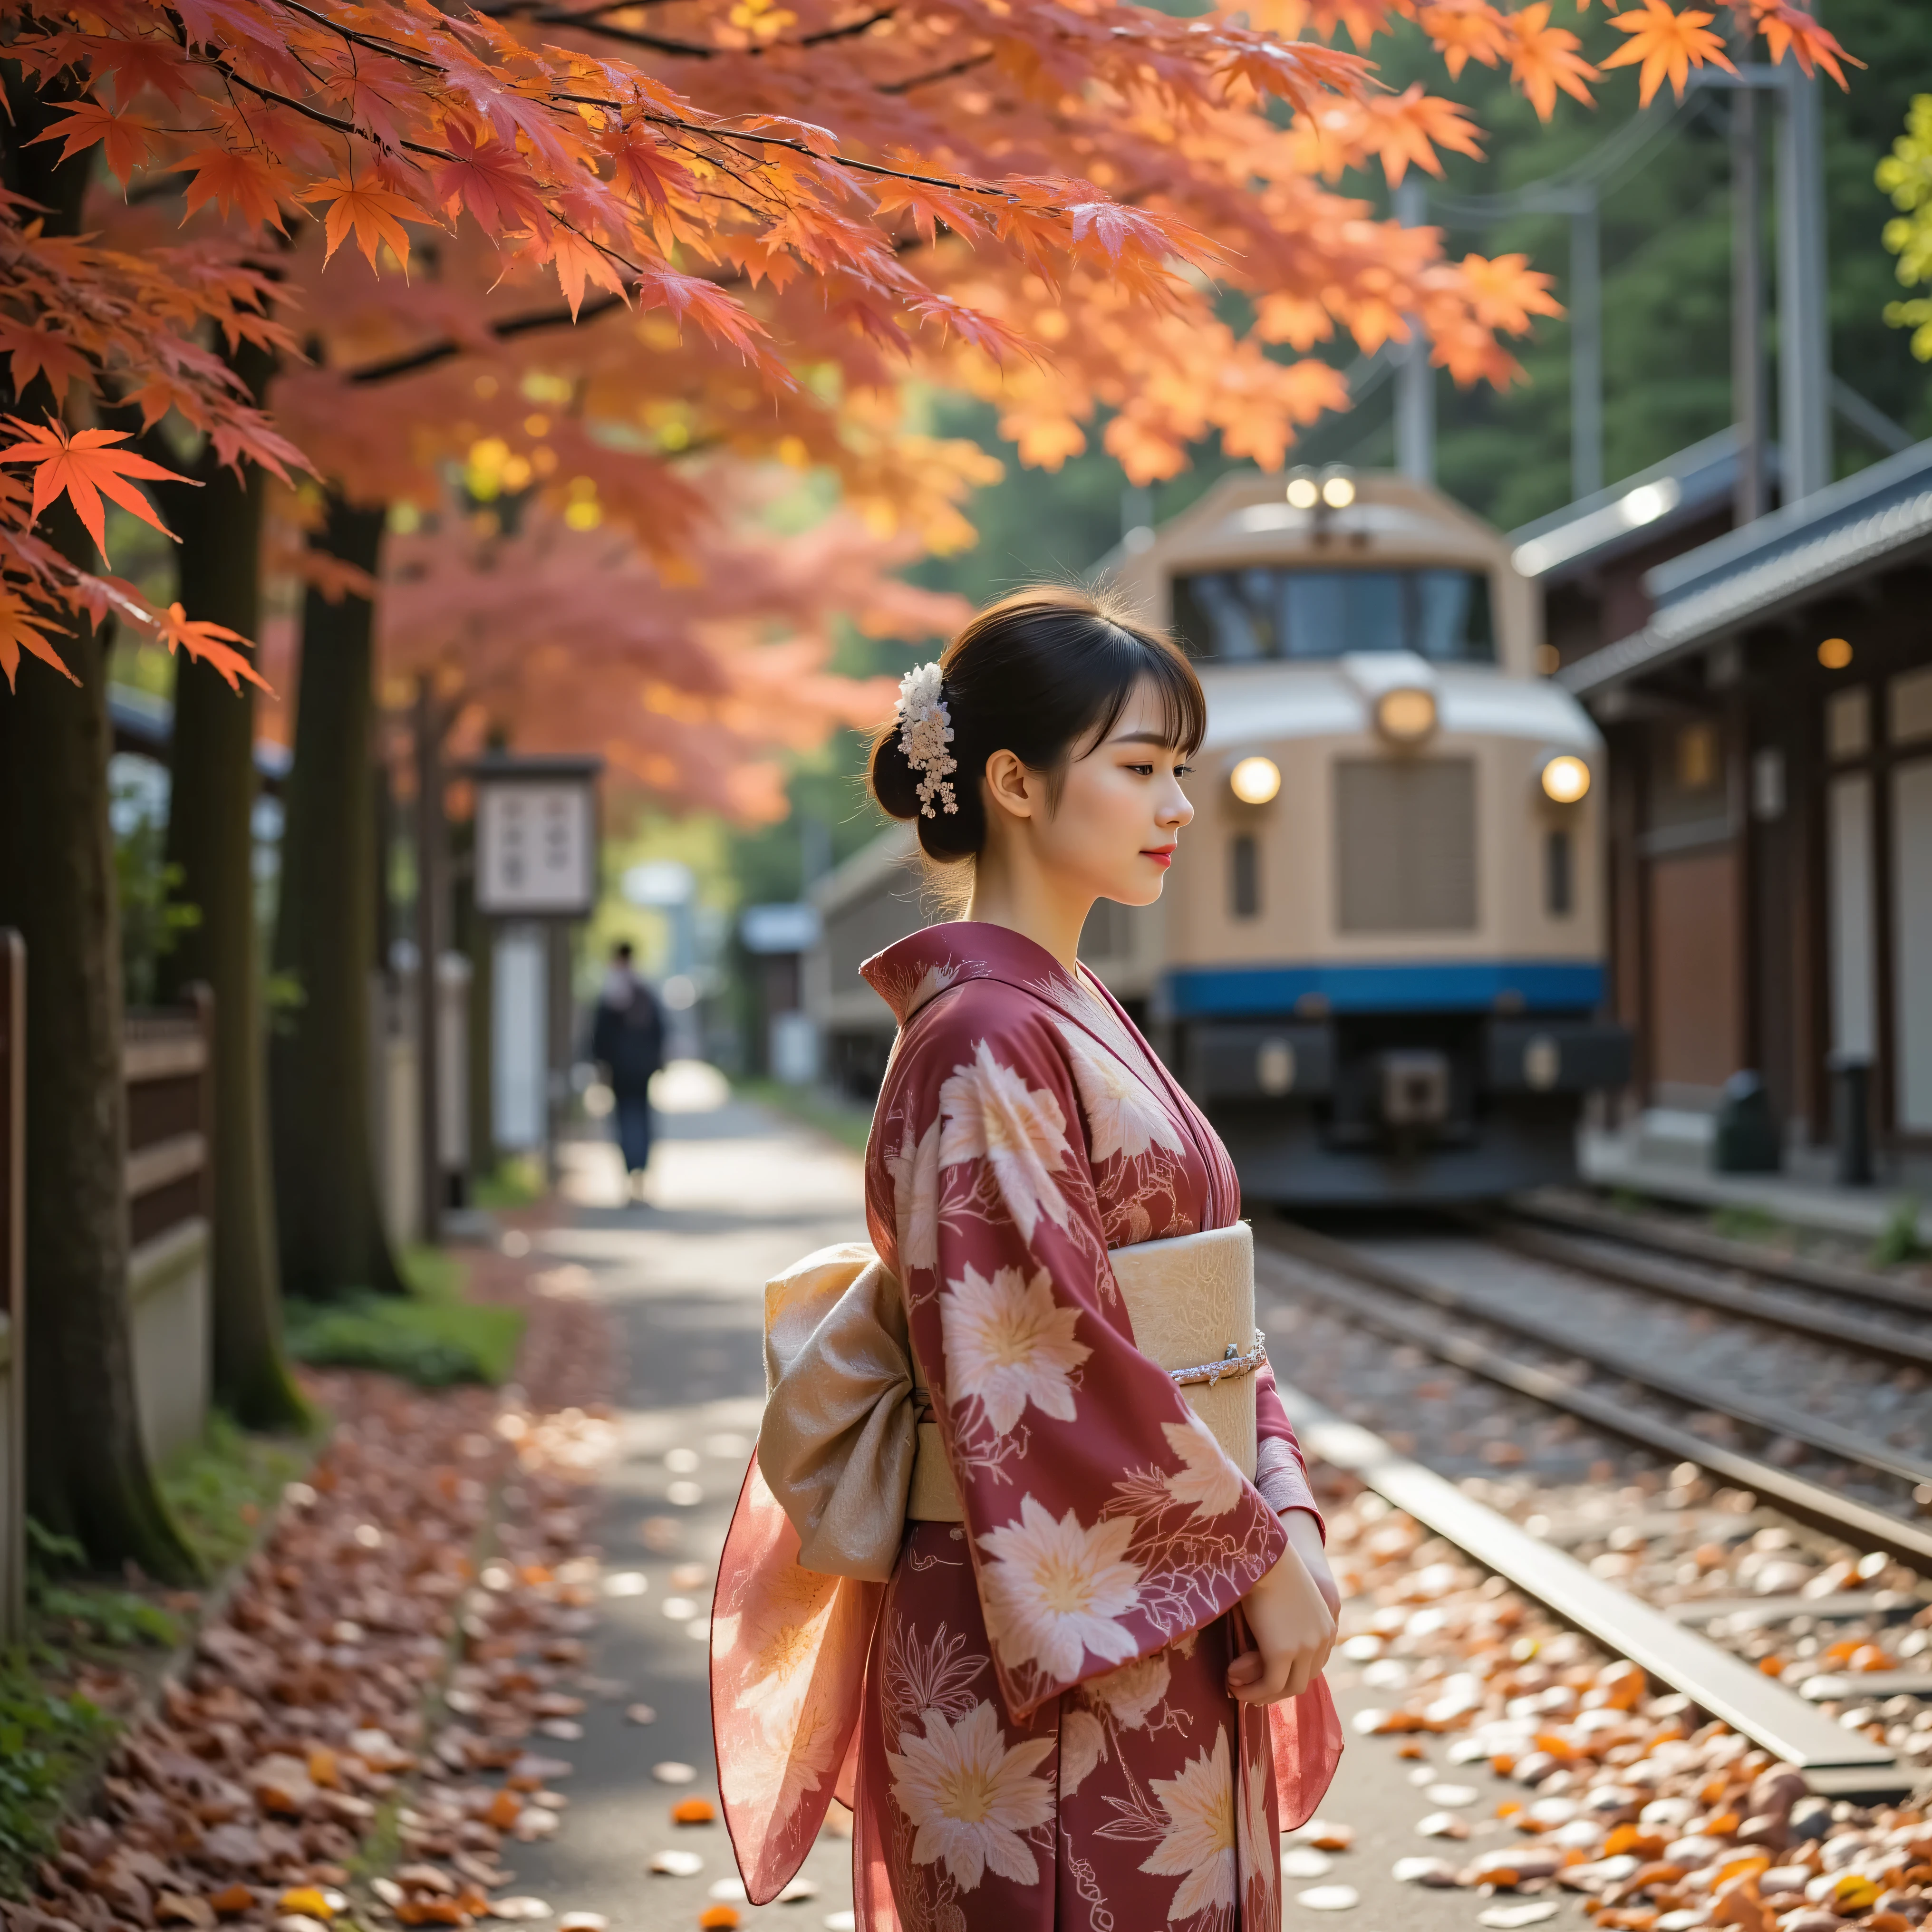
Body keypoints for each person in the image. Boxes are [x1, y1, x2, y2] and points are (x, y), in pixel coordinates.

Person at [712, 589, 1341, 1930]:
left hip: (1155, 1589)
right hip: (1052, 1622)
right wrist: (1257, 1556)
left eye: (1182, 770)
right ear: (1012, 782)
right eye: (1139, 768)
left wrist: (1283, 1520)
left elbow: (1214, 1324)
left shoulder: (1055, 1009)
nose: (1177, 805)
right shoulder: (986, 1039)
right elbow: (1038, 1355)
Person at [590, 941, 663, 1199]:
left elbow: (598, 1037)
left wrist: (600, 1065)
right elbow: (660, 1031)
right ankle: (639, 1173)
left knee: (624, 1121)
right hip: (642, 1071)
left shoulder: (609, 995)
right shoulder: (645, 992)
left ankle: (631, 1173)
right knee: (641, 1120)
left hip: (619, 1072)